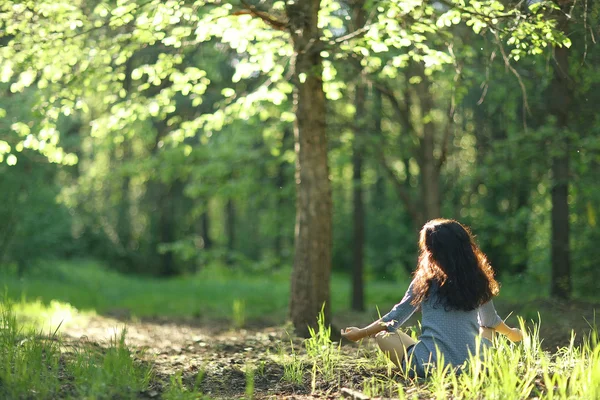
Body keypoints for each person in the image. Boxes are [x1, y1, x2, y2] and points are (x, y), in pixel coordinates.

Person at [341, 219, 523, 377]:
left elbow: (393, 319)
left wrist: (360, 333)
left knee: (384, 336)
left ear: (431, 252)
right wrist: (513, 334)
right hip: (475, 367)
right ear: (467, 249)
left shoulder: (425, 282)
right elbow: (491, 321)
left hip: (429, 365)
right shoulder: (476, 280)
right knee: (487, 329)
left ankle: (416, 361)